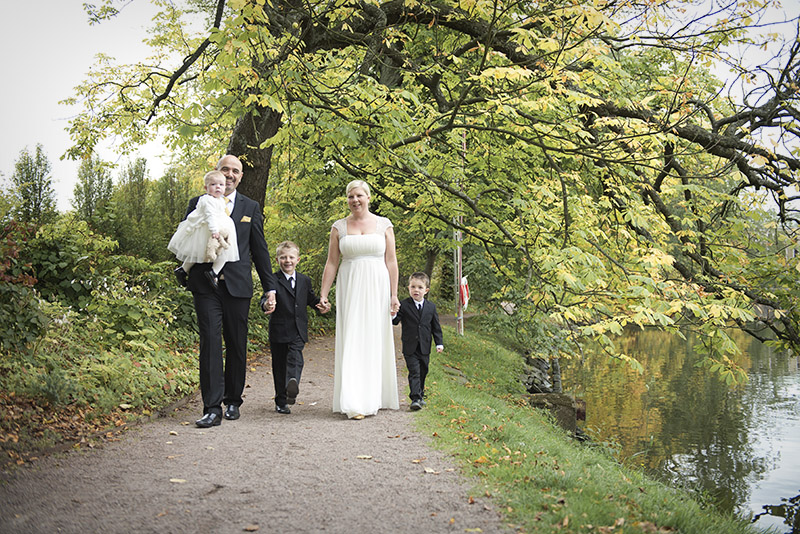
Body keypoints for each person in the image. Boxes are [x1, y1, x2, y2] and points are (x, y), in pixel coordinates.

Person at [183, 155, 277, 428]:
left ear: (241, 176)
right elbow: (187, 238)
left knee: (236, 343)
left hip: (238, 286)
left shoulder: (251, 207)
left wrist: (270, 288)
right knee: (210, 342)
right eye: (225, 169)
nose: (230, 174)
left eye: (236, 171)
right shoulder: (199, 202)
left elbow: (259, 249)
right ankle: (212, 408)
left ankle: (233, 400)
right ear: (217, 172)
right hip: (205, 284)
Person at [319, 180, 400, 419]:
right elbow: (332, 262)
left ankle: (375, 396)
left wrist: (394, 294)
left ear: (368, 197)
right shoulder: (339, 227)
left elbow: (391, 261)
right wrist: (324, 294)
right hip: (350, 285)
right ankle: (354, 400)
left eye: (359, 196)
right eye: (350, 196)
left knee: (374, 338)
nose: (355, 200)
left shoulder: (384, 225)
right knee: (353, 337)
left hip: (377, 286)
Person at [261, 241, 330, 415]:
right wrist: (267, 305)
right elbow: (264, 299)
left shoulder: (304, 280)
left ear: (298, 259)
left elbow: (311, 299)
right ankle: (281, 401)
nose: (287, 261)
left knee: (295, 357)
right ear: (277, 260)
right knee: (279, 366)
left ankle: (292, 384)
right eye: (283, 257)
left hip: (298, 329)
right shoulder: (272, 279)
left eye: (291, 257)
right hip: (279, 330)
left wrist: (321, 306)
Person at [168, 170, 239, 289]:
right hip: (208, 229)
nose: (218, 187)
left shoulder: (220, 200)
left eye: (221, 185)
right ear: (206, 188)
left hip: (219, 227)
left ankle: (183, 270)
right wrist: (214, 230)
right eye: (213, 184)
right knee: (203, 252)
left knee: (213, 252)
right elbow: (209, 215)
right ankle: (213, 272)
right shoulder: (207, 199)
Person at [392, 272, 444, 410]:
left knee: (423, 371)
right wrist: (393, 314)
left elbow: (436, 327)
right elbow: (395, 321)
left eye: (420, 287)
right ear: (409, 288)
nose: (416, 290)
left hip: (425, 346)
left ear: (426, 290)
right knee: (414, 371)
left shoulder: (431, 307)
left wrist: (439, 343)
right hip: (410, 346)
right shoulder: (404, 305)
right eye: (413, 287)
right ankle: (415, 398)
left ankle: (420, 395)